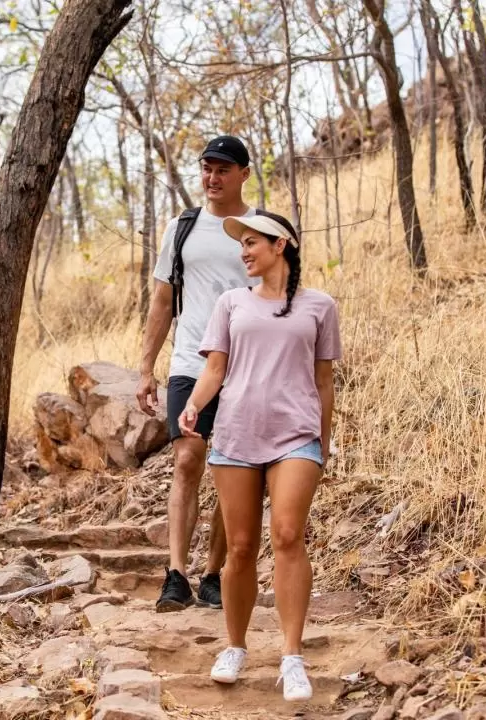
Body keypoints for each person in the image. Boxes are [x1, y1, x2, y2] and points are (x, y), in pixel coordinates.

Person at [178, 211, 341, 702]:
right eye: (241, 244)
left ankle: (292, 656)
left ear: (282, 244)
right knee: (242, 547)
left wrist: (324, 442)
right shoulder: (231, 303)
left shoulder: (320, 306)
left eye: (252, 242)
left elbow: (325, 380)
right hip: (236, 434)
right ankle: (236, 645)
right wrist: (193, 404)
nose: (244, 251)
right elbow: (214, 369)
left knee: (289, 535)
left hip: (296, 435)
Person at [136, 135, 260, 613]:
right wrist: (147, 368)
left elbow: (275, 297)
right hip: (190, 362)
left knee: (232, 470)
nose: (212, 177)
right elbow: (162, 301)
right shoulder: (181, 228)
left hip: (244, 367)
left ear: (244, 174)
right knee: (188, 458)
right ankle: (175, 575)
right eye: (207, 168)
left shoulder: (259, 228)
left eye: (223, 169)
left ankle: (213, 575)